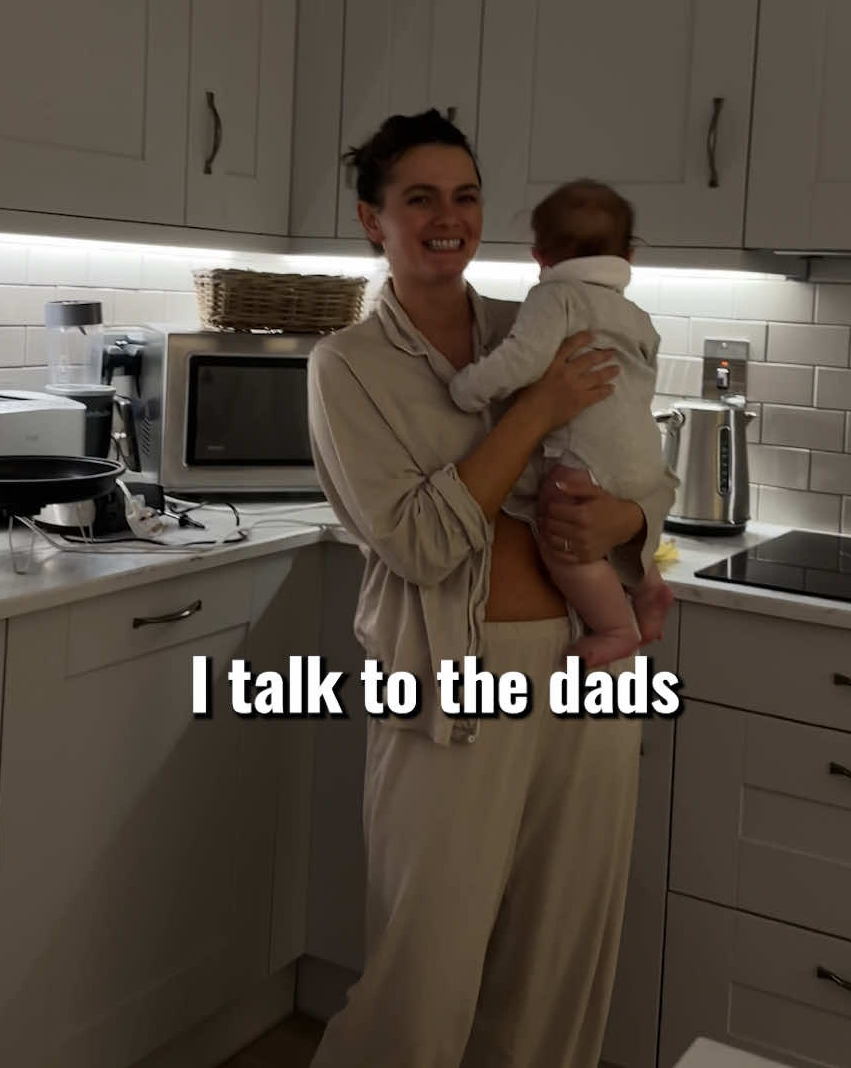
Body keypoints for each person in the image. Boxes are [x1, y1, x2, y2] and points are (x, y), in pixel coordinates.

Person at [307, 109, 677, 1068]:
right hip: (450, 684)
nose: (446, 216)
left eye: (464, 196)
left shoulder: (540, 321)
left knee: (556, 972)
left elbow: (649, 469)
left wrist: (628, 524)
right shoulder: (347, 367)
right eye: (418, 197)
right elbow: (421, 542)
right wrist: (539, 411)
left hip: (586, 676)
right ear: (370, 219)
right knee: (418, 982)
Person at [449, 178, 674, 668]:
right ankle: (648, 584)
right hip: (642, 460)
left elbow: (522, 361)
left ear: (539, 256)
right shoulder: (636, 316)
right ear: (629, 257)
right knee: (609, 535)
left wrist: (468, 387)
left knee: (565, 545)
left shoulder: (556, 298)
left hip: (585, 460)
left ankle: (616, 627)